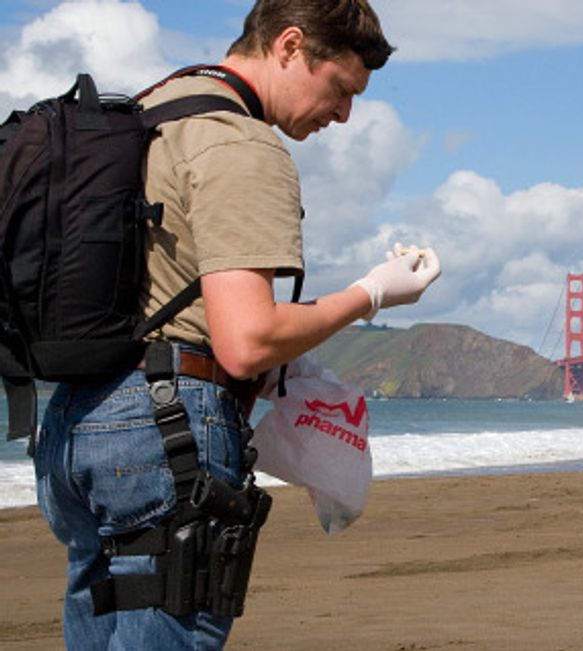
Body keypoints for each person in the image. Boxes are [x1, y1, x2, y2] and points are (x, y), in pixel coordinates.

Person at [32, 1, 439, 649]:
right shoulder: (241, 143)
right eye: (340, 88)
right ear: (289, 46)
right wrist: (371, 294)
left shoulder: (148, 111)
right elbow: (246, 342)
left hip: (74, 426)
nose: (343, 115)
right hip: (165, 433)